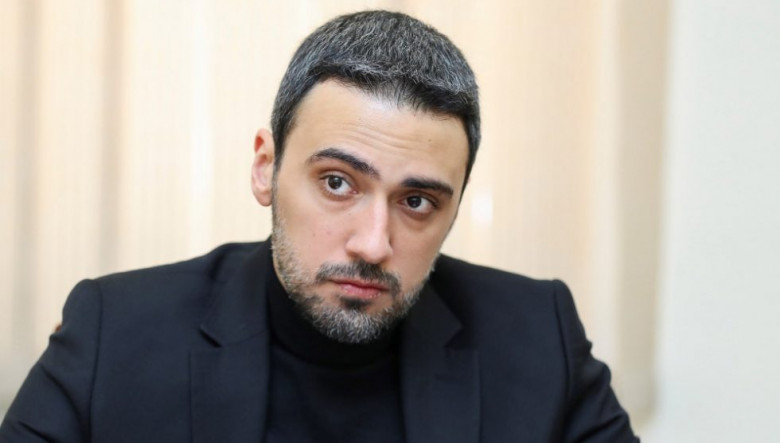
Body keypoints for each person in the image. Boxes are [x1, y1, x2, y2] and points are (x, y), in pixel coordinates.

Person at [0, 10, 638, 442]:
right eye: (338, 183)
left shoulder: (538, 337)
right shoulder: (114, 332)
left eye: (417, 201)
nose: (372, 243)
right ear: (265, 168)